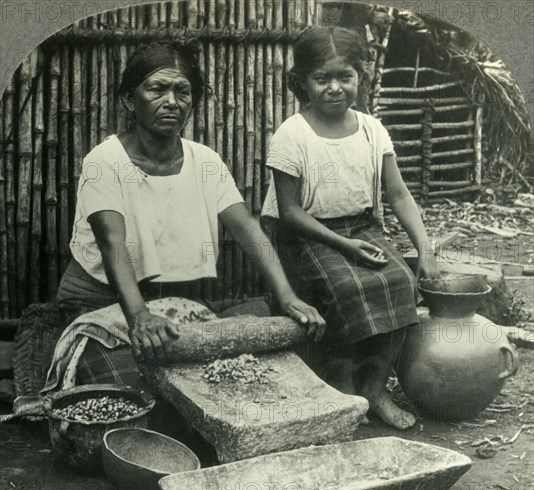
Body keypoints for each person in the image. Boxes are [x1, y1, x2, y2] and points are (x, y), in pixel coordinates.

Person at [48, 40, 324, 389]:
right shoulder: (104, 162)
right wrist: (139, 317)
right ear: (130, 100)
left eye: (182, 91)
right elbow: (112, 244)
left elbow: (248, 232)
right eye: (157, 89)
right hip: (104, 300)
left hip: (177, 301)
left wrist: (287, 296)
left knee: (223, 381)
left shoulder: (204, 161)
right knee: (138, 389)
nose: (171, 102)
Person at [261, 27, 440, 430]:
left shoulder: (372, 129)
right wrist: (347, 246)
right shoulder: (293, 135)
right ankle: (341, 390)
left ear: (362, 77)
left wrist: (425, 251)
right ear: (301, 82)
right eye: (321, 79)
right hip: (305, 231)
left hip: (360, 225)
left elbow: (398, 194)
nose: (334, 87)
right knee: (347, 289)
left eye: (345, 76)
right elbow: (288, 213)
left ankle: (374, 388)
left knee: (400, 282)